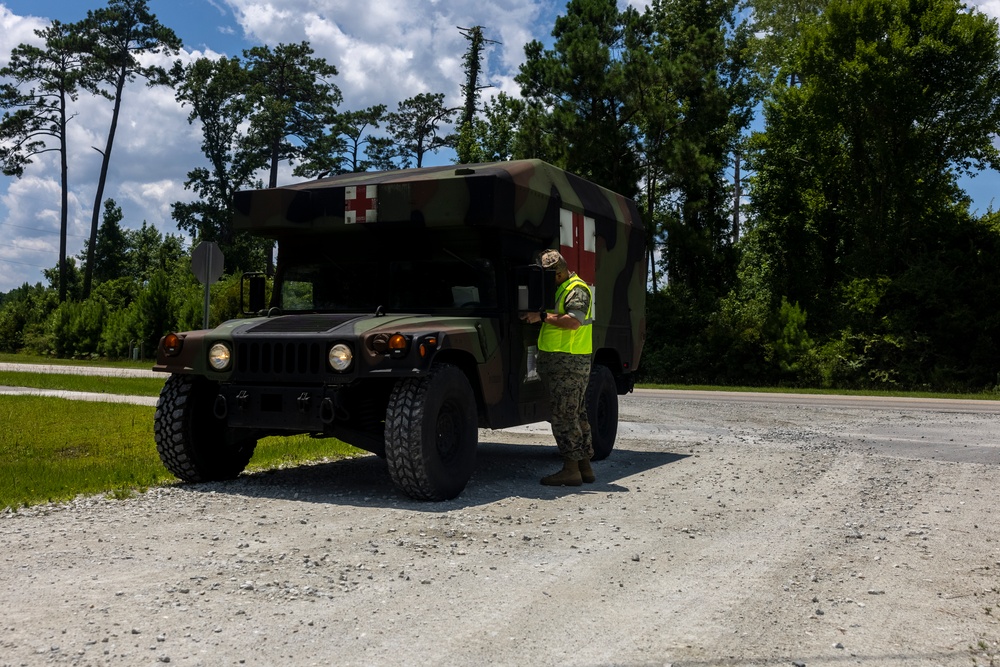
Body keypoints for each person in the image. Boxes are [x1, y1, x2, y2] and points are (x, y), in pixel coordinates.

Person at [522, 250, 595, 486]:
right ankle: (584, 467)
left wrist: (542, 317)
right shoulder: (562, 288)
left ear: (559, 272)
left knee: (564, 415)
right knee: (576, 413)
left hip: (569, 363)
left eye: (549, 275)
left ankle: (570, 469)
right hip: (564, 363)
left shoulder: (577, 289)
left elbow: (574, 321)